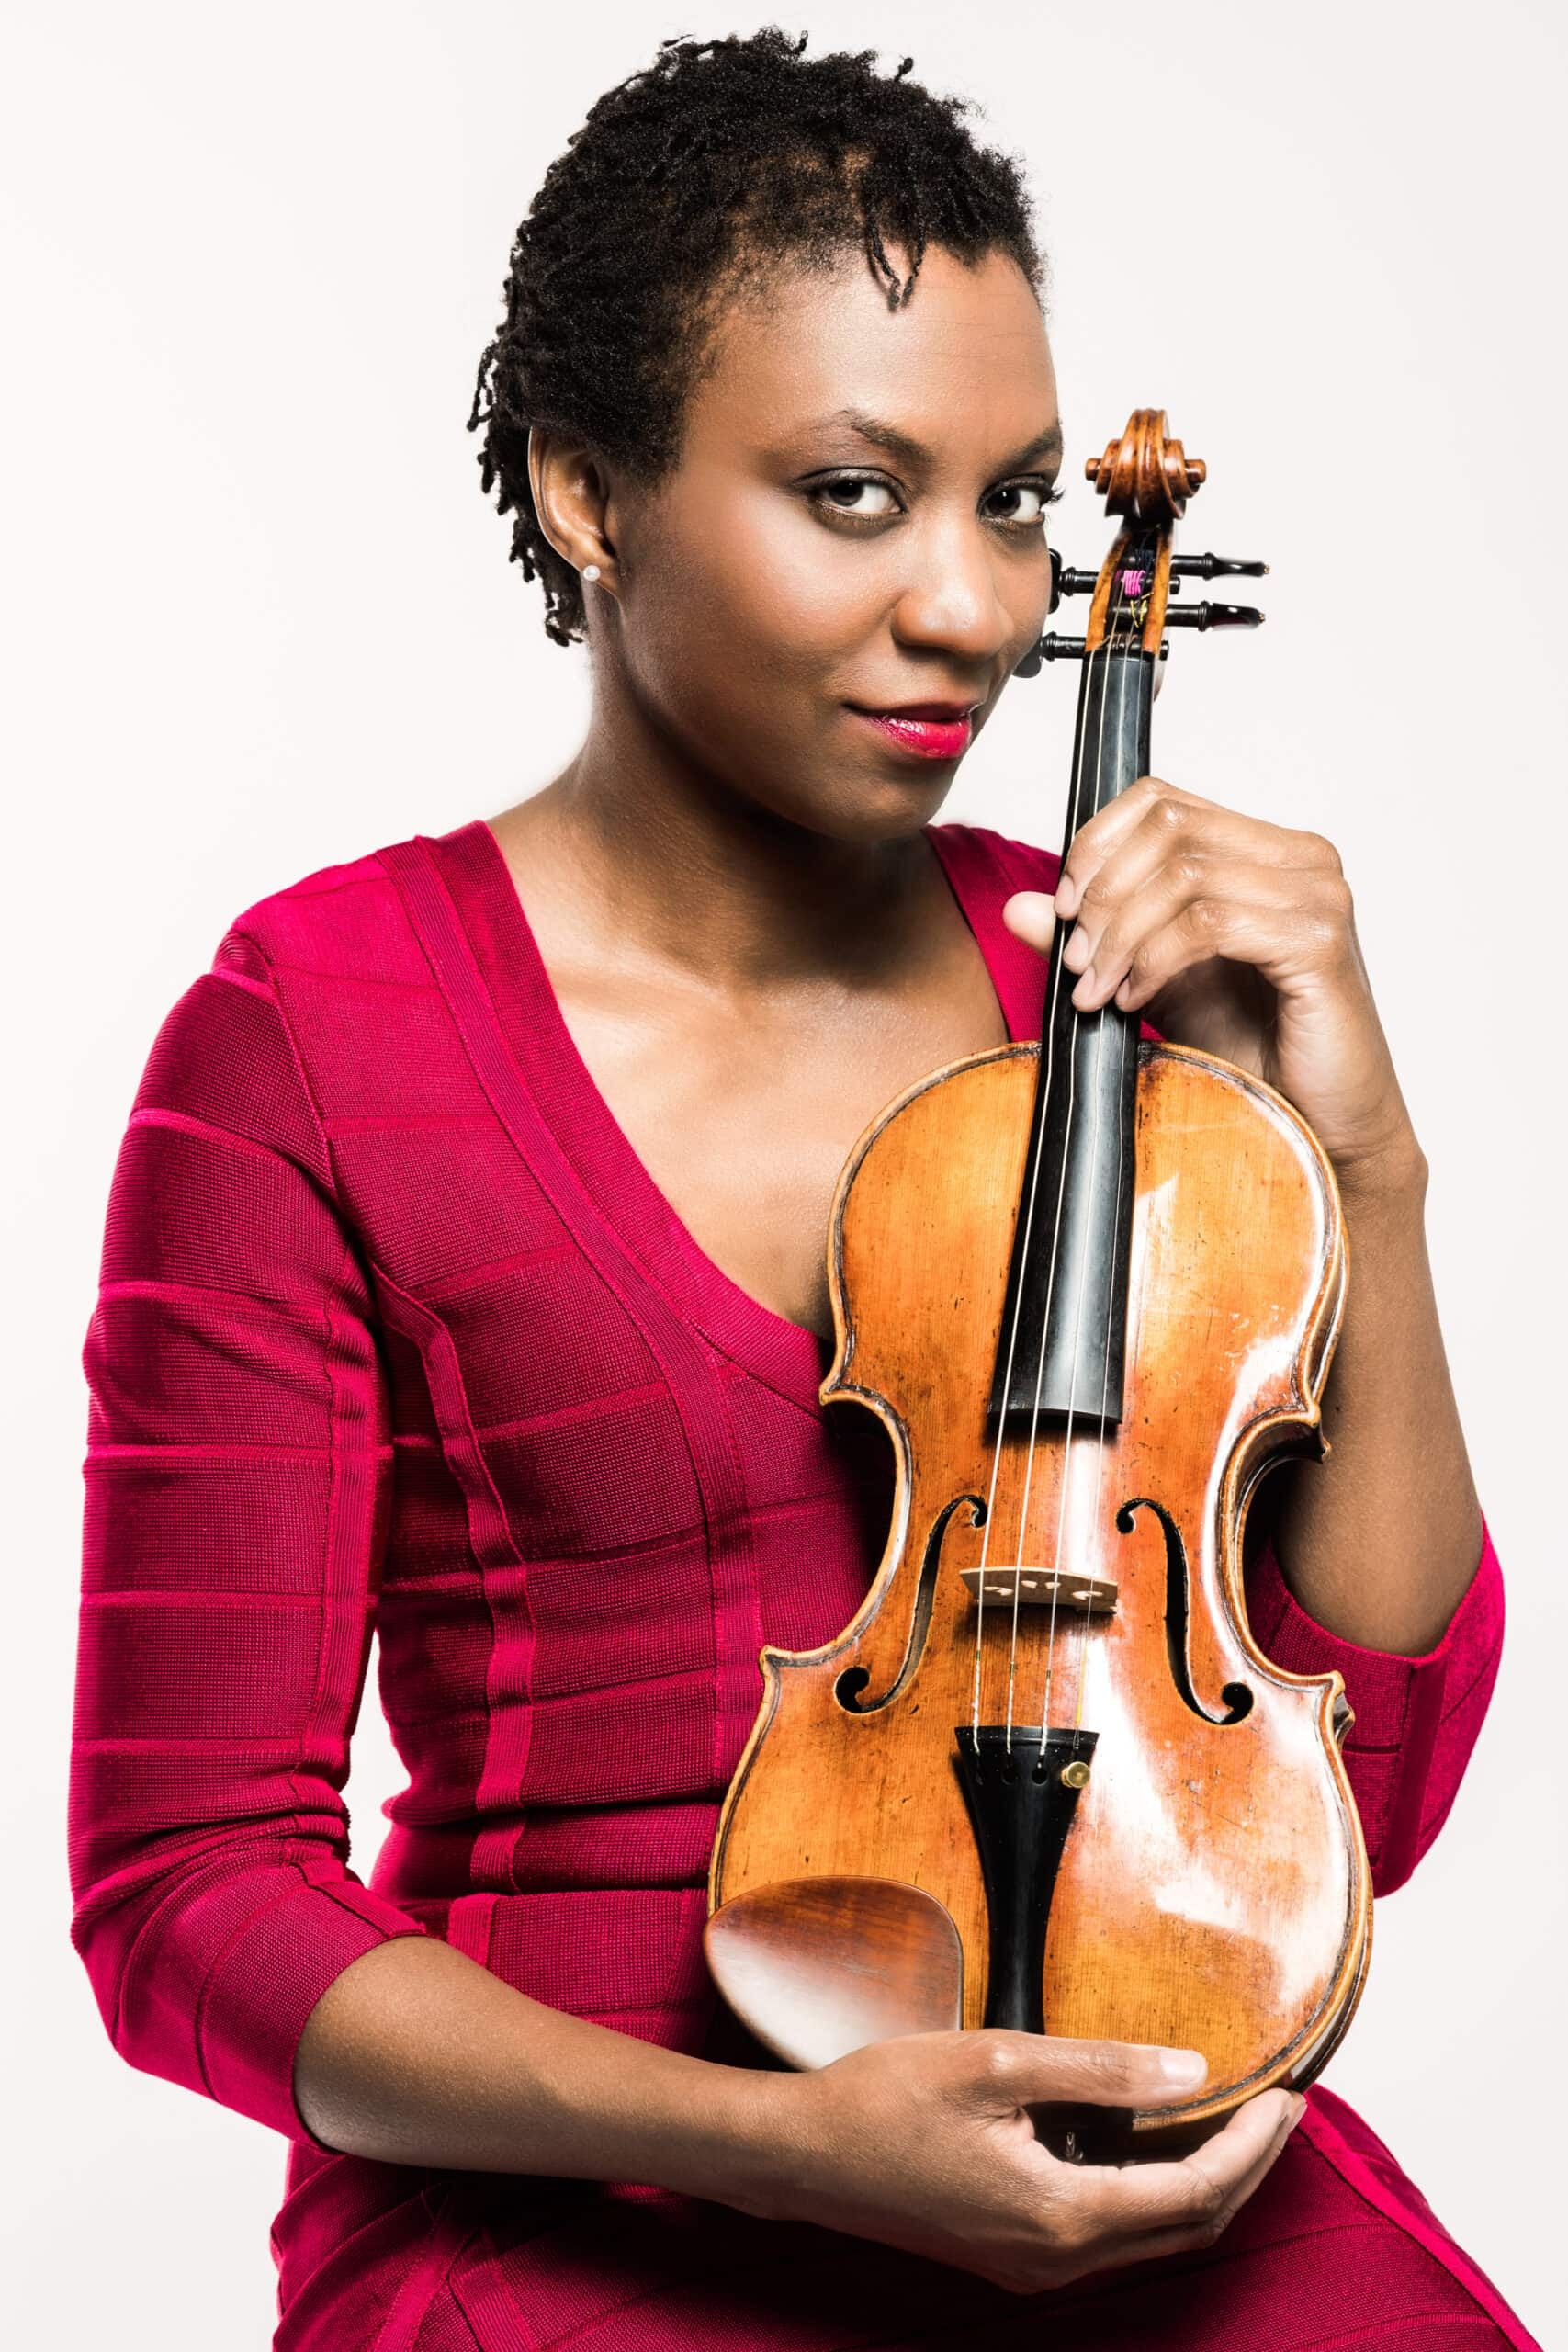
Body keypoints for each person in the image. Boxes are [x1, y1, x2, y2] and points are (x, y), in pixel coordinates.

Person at [68, 29, 1536, 2349]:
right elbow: (185, 1890)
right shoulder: (305, 1041)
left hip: (1120, 2131)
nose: (974, 608)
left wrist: (1358, 1150)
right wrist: (778, 2144)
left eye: (1013, 502)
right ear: (587, 487)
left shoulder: (1095, 1002)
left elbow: (1362, 1774)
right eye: (855, 494)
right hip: (570, 2182)